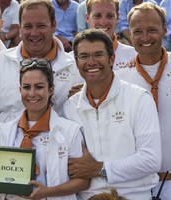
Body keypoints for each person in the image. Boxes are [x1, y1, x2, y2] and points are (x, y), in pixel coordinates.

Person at [0, 0, 83, 155]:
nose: (34, 33)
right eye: (28, 26)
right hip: (7, 164)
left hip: (58, 164)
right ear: (19, 29)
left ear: (54, 26)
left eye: (41, 26)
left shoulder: (75, 68)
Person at [64, 29, 161, 199]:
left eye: (98, 55)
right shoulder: (70, 107)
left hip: (134, 196)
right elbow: (74, 165)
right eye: (84, 56)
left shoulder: (139, 98)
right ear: (76, 61)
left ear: (112, 59)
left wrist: (100, 169)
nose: (91, 62)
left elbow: (151, 159)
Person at [0, 58, 89, 199]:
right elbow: (2, 178)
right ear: (20, 90)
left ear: (50, 90)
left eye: (39, 87)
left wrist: (47, 192)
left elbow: (83, 181)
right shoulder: (5, 130)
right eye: (26, 87)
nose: (32, 93)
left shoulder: (70, 131)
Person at [115, 3, 171, 199]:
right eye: (137, 31)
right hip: (135, 187)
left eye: (152, 30)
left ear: (165, 29)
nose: (145, 38)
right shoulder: (118, 79)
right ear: (129, 33)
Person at [85, 0, 136, 70]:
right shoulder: (73, 60)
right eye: (97, 16)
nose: (104, 22)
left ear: (118, 18)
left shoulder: (134, 56)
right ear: (87, 18)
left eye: (110, 16)